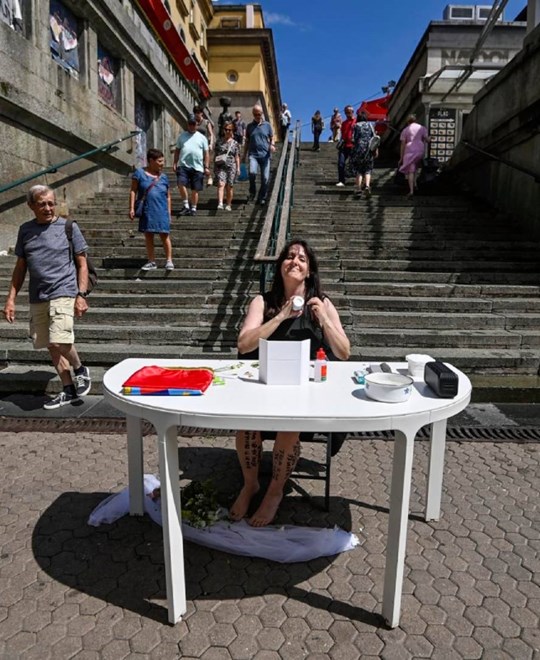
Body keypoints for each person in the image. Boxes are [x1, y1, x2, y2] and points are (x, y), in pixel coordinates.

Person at [230, 239, 351, 527]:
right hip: (266, 390)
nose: (294, 261)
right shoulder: (262, 302)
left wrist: (324, 320)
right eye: (289, 256)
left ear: (309, 271)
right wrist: (282, 315)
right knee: (246, 423)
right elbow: (244, 344)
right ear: (281, 265)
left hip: (306, 397)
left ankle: (274, 491)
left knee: (290, 423)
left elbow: (344, 352)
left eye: (302, 258)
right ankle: (250, 485)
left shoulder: (322, 303)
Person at [3, 184, 92, 409]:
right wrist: (11, 299)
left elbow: (82, 264)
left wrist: (81, 294)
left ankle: (80, 369)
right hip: (38, 295)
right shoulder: (25, 230)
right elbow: (20, 267)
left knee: (58, 340)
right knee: (51, 346)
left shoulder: (68, 227)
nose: (48, 208)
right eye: (42, 204)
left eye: (51, 203)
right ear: (31, 206)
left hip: (64, 290)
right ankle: (68, 389)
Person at [129, 148, 173, 270]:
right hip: (147, 209)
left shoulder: (164, 177)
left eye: (163, 161)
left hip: (162, 210)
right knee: (148, 235)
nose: (162, 164)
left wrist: (169, 213)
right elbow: (133, 191)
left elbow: (168, 196)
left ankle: (169, 260)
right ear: (151, 161)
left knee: (164, 235)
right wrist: (132, 208)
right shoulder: (139, 173)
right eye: (160, 161)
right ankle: (151, 261)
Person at [173, 113, 210, 217]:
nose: (192, 126)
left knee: (195, 189)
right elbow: (177, 150)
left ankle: (193, 208)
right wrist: (175, 163)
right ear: (187, 124)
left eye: (194, 124)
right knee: (181, 183)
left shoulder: (202, 138)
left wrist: (206, 166)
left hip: (198, 167)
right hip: (183, 165)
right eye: (190, 124)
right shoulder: (182, 136)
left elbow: (206, 153)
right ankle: (186, 205)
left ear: (197, 124)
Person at [244, 104, 276, 206]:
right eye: (256, 114)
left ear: (262, 113)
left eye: (259, 114)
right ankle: (252, 192)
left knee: (265, 178)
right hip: (253, 155)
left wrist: (272, 145)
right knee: (252, 173)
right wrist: (243, 155)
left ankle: (262, 197)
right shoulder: (249, 127)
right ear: (253, 114)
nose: (258, 116)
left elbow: (272, 137)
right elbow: (247, 142)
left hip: (265, 155)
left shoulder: (267, 125)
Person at [399, 114, 431, 198]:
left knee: (411, 171)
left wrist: (401, 157)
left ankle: (411, 190)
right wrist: (431, 137)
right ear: (415, 120)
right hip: (420, 149)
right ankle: (415, 183)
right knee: (415, 166)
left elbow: (402, 144)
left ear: (407, 121)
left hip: (409, 150)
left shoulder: (405, 130)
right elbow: (427, 140)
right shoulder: (422, 128)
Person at [349, 110, 378, 199]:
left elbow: (352, 139)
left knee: (359, 170)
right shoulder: (370, 125)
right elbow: (374, 138)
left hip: (358, 150)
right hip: (369, 150)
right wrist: (376, 150)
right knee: (368, 169)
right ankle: (367, 186)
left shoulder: (355, 126)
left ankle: (358, 188)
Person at [214, 122, 241, 211]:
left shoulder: (235, 143)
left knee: (229, 186)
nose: (227, 131)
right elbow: (215, 154)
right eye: (226, 129)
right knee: (221, 184)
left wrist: (238, 168)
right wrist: (214, 166)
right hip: (220, 166)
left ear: (232, 131)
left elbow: (237, 156)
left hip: (231, 167)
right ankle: (220, 203)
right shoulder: (219, 142)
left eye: (229, 130)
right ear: (223, 130)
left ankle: (228, 204)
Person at [193, 105, 215, 187]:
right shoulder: (193, 122)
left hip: (204, 146)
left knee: (205, 163)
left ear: (202, 113)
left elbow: (211, 134)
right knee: (198, 163)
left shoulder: (206, 122)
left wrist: (211, 144)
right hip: (195, 145)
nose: (197, 114)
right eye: (195, 113)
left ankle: (209, 177)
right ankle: (199, 179)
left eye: (198, 112)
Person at [336, 105, 356, 187]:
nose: (348, 113)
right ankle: (341, 180)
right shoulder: (344, 123)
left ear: (352, 112)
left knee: (356, 164)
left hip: (354, 146)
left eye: (349, 112)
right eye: (346, 112)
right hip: (344, 146)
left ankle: (358, 181)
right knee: (341, 163)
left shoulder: (357, 121)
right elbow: (343, 134)